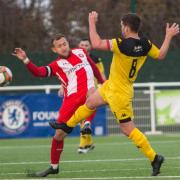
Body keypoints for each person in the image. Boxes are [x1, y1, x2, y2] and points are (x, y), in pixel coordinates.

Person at [49, 12, 179, 176]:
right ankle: (66, 125)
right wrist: (168, 36)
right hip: (111, 86)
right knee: (89, 103)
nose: (121, 28)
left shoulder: (120, 44)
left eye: (121, 25)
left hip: (120, 93)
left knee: (127, 129)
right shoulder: (146, 44)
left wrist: (91, 22)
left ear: (125, 27)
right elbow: (161, 55)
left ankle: (154, 158)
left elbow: (95, 43)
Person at [12, 34, 105, 177]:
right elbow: (38, 72)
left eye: (64, 43)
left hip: (88, 93)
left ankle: (86, 124)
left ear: (68, 43)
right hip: (71, 101)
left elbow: (93, 66)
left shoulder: (81, 52)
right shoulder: (56, 65)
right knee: (58, 135)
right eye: (59, 46)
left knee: (92, 93)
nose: (63, 47)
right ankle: (54, 167)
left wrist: (102, 81)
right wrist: (25, 59)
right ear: (54, 49)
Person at [77, 38, 106, 154]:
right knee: (81, 118)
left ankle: (83, 144)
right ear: (78, 46)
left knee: (84, 116)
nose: (84, 46)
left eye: (86, 45)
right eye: (82, 45)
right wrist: (62, 86)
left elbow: (101, 73)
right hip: (78, 90)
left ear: (90, 47)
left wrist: (104, 85)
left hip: (91, 91)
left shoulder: (95, 59)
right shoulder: (73, 58)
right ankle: (88, 143)